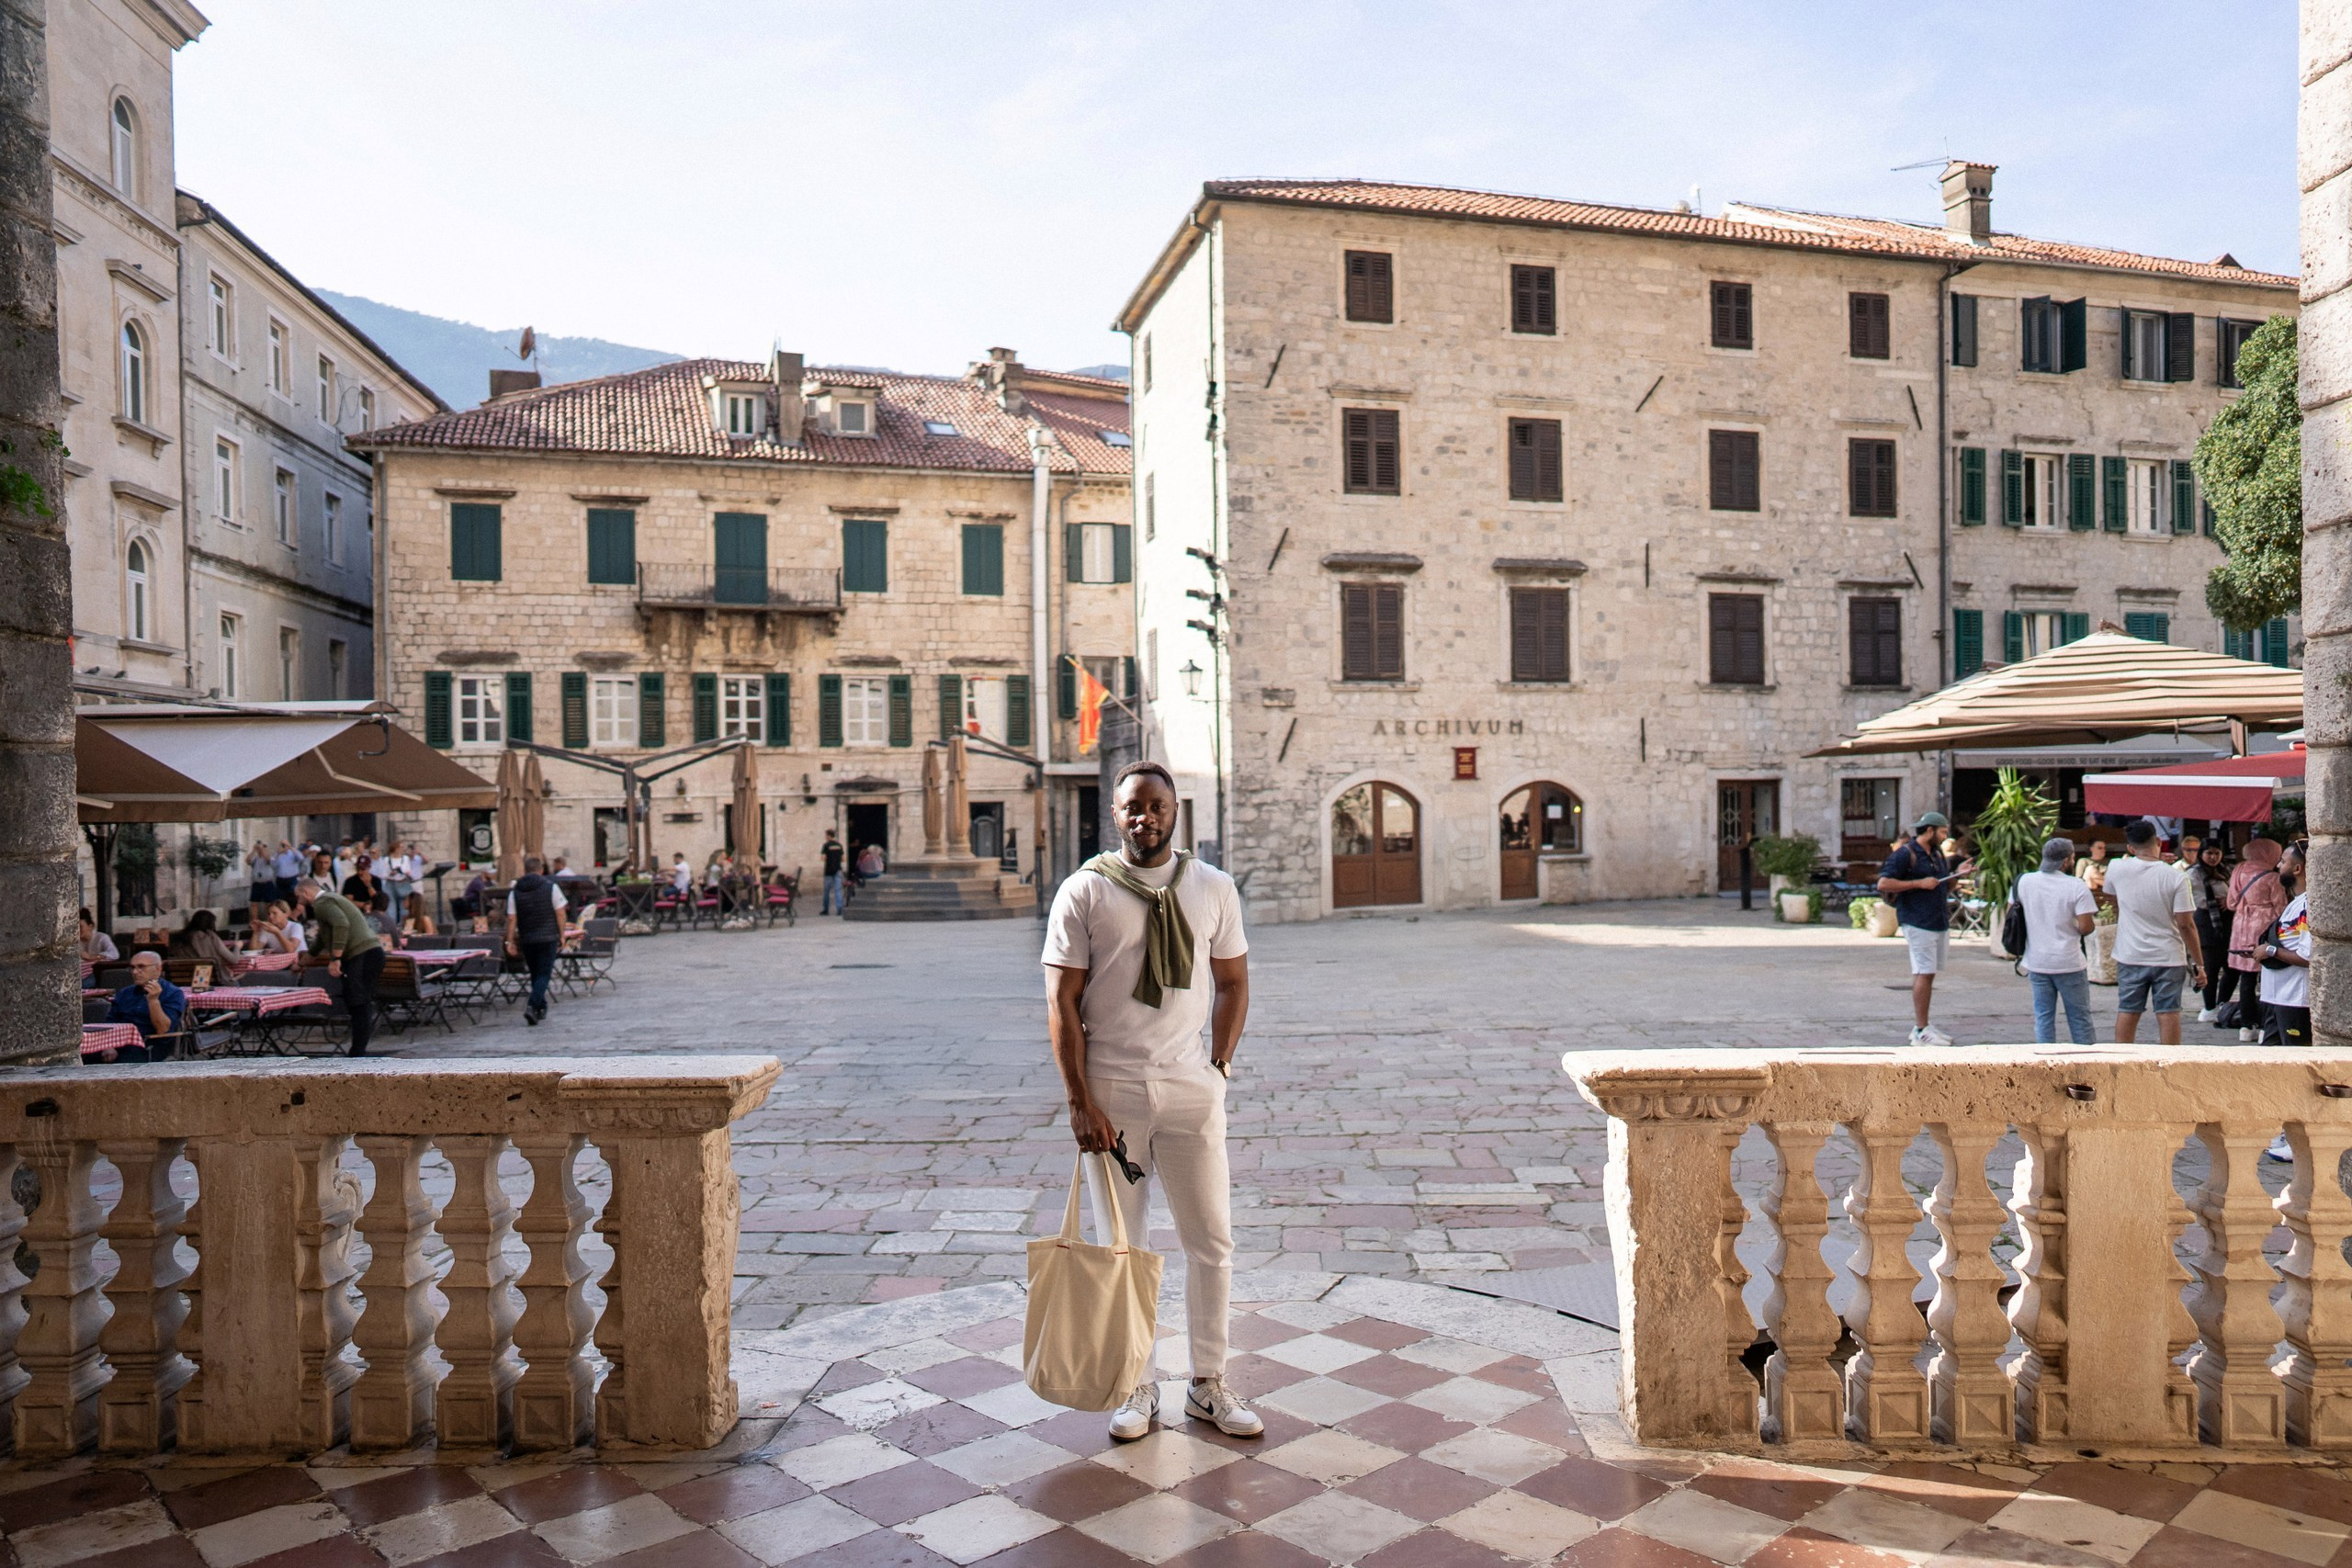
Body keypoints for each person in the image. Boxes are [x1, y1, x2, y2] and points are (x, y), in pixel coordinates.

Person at [1043, 761, 1261, 1444]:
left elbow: (1233, 981)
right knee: (1123, 1247)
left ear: (1175, 812)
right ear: (1116, 814)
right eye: (1133, 807)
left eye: (1157, 806)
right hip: (1113, 1091)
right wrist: (1080, 1101)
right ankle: (1139, 1381)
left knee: (1211, 1240)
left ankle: (1209, 1381)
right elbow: (1061, 1001)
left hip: (1192, 1087)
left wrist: (1219, 1066)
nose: (1146, 817)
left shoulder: (1212, 888)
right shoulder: (1084, 892)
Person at [1877, 811, 1973, 1046]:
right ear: (1929, 830)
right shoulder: (1905, 854)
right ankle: (1921, 1030)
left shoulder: (1938, 854)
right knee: (1923, 971)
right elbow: (1884, 883)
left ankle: (1925, 1026)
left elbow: (1943, 887)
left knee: (1929, 973)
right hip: (1917, 920)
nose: (1945, 835)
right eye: (1942, 831)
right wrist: (1919, 883)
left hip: (1938, 920)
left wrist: (1958, 873)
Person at [2108, 818, 2204, 1045]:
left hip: (2130, 954)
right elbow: (2186, 924)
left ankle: (2121, 1062)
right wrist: (2199, 964)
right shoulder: (2176, 877)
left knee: (2128, 1011)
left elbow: (2113, 893)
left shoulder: (2116, 868)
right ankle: (2169, 1064)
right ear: (2158, 841)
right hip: (2168, 956)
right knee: (2169, 1013)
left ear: (2130, 848)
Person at [2012, 838, 2099, 1045]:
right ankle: (2087, 1063)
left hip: (2037, 961)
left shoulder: (2024, 881)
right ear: (2066, 861)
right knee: (2080, 1019)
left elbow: (2013, 916)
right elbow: (2087, 927)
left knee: (2043, 1018)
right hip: (2069, 962)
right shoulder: (2076, 886)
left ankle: (2046, 1063)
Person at [295, 875, 385, 1056]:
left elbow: (341, 924)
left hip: (362, 954)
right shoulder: (332, 898)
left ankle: (357, 1054)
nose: (299, 901)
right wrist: (305, 960)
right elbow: (323, 937)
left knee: (359, 1002)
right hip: (370, 952)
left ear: (305, 893)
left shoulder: (323, 903)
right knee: (358, 1001)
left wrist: (336, 958)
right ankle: (358, 1051)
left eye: (299, 896)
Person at [2225, 838, 2288, 1042]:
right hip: (2264, 927)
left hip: (2240, 925)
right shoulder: (2272, 877)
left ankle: (2246, 1025)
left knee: (2246, 978)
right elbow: (2280, 907)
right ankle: (2264, 1026)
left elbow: (2231, 902)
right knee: (2268, 977)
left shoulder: (2239, 870)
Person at [2256, 845, 2312, 1047]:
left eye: (2282, 861)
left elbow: (2308, 957)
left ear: (2297, 869)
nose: (2278, 866)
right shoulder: (2296, 903)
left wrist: (2270, 951)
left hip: (2295, 1000)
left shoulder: (2307, 905)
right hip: (2278, 998)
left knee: (2296, 1059)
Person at [507, 854, 567, 1026]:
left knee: (535, 972)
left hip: (527, 937)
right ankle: (533, 1005)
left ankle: (541, 1007)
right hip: (548, 936)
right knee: (544, 973)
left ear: (525, 871)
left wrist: (509, 941)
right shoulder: (551, 887)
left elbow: (512, 918)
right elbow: (560, 912)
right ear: (541, 871)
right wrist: (562, 934)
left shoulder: (515, 891)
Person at [2188, 841, 2233, 1020]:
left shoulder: (2226, 870)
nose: (2213, 857)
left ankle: (2223, 1004)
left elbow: (2235, 892)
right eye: (2209, 853)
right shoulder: (2194, 873)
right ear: (2202, 854)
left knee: (2231, 967)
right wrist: (2222, 901)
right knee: (2211, 968)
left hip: (2228, 922)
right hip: (2207, 923)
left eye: (2217, 853)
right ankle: (2208, 1007)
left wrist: (2229, 901)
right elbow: (2197, 898)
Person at [106, 950, 186, 1050]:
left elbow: (163, 1030)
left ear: (158, 969)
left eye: (141, 967)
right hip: (118, 1043)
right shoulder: (125, 993)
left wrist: (153, 1001)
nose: (134, 972)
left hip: (150, 1046)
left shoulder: (173, 993)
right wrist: (109, 1047)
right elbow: (110, 1022)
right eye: (132, 967)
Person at [168, 908, 242, 976]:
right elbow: (234, 960)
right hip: (210, 978)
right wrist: (237, 946)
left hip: (184, 978)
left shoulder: (180, 937)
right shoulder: (209, 936)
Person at [821, 829, 846, 916]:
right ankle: (839, 909)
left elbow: (823, 859)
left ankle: (826, 909)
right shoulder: (839, 845)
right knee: (838, 890)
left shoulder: (826, 845)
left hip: (828, 871)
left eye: (826, 835)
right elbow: (844, 859)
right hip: (838, 870)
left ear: (828, 836)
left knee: (827, 891)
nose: (825, 837)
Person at [271, 840, 303, 906]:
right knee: (280, 899)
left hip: (292, 879)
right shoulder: (277, 854)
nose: (284, 846)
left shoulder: (293, 852)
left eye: (285, 844)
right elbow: (272, 864)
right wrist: (278, 853)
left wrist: (290, 848)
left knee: (294, 899)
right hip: (281, 881)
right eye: (282, 845)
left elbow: (301, 858)